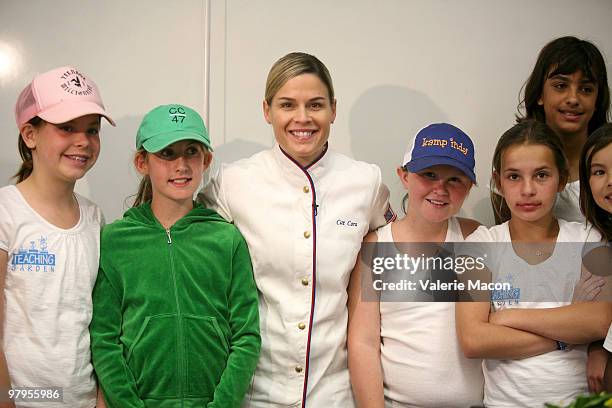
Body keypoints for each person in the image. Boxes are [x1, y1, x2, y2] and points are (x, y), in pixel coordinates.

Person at [200, 52, 395, 407]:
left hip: (334, 393)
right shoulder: (233, 182)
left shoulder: (365, 182)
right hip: (256, 391)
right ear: (267, 110)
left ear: (333, 109)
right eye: (287, 105)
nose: (302, 118)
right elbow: (188, 245)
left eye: (316, 105)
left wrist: (470, 237)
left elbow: (402, 246)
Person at [90, 104, 260, 408]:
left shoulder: (226, 239)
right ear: (142, 162)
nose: (181, 165)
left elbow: (246, 336)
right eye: (167, 153)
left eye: (191, 151)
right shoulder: (116, 240)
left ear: (206, 160)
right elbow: (104, 338)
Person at [456, 120, 611, 407]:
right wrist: (567, 333)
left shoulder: (589, 236)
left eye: (541, 175)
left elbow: (599, 320)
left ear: (562, 179)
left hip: (580, 402)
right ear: (498, 181)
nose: (527, 190)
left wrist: (506, 318)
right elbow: (474, 339)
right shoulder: (480, 244)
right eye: (514, 177)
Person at [0, 66, 114, 407]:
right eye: (66, 128)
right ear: (30, 134)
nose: (83, 141)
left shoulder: (95, 217)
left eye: (92, 130)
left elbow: (100, 320)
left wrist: (100, 396)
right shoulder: (6, 211)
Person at [348, 123, 484, 407]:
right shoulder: (375, 246)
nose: (440, 189)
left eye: (455, 180)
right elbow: (363, 343)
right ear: (404, 175)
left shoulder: (476, 237)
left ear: (469, 187)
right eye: (429, 175)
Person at [494, 36, 610, 223]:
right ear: (539, 93)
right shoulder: (512, 157)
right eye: (561, 86)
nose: (573, 98)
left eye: (586, 89)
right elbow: (509, 239)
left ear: (598, 99)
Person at [578, 123, 612, 391]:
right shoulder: (599, 241)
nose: (610, 180)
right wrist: (596, 346)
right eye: (599, 172)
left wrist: (603, 347)